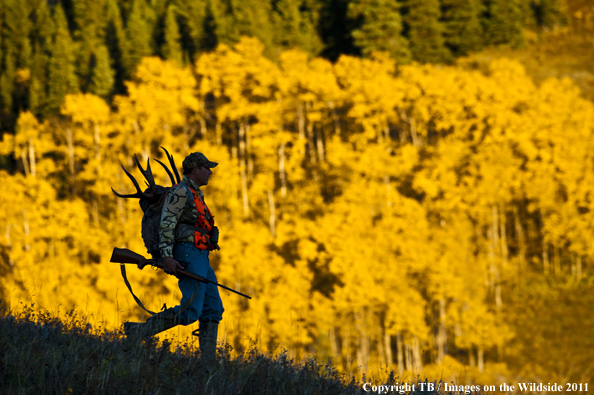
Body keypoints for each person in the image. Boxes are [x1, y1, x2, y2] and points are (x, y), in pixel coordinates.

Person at [125, 152, 224, 359]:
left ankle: (208, 363)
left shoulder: (196, 193)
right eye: (206, 168)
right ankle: (138, 332)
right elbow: (167, 223)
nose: (210, 172)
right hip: (188, 254)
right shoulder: (180, 192)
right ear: (196, 170)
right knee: (190, 311)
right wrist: (168, 255)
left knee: (213, 309)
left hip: (200, 256)